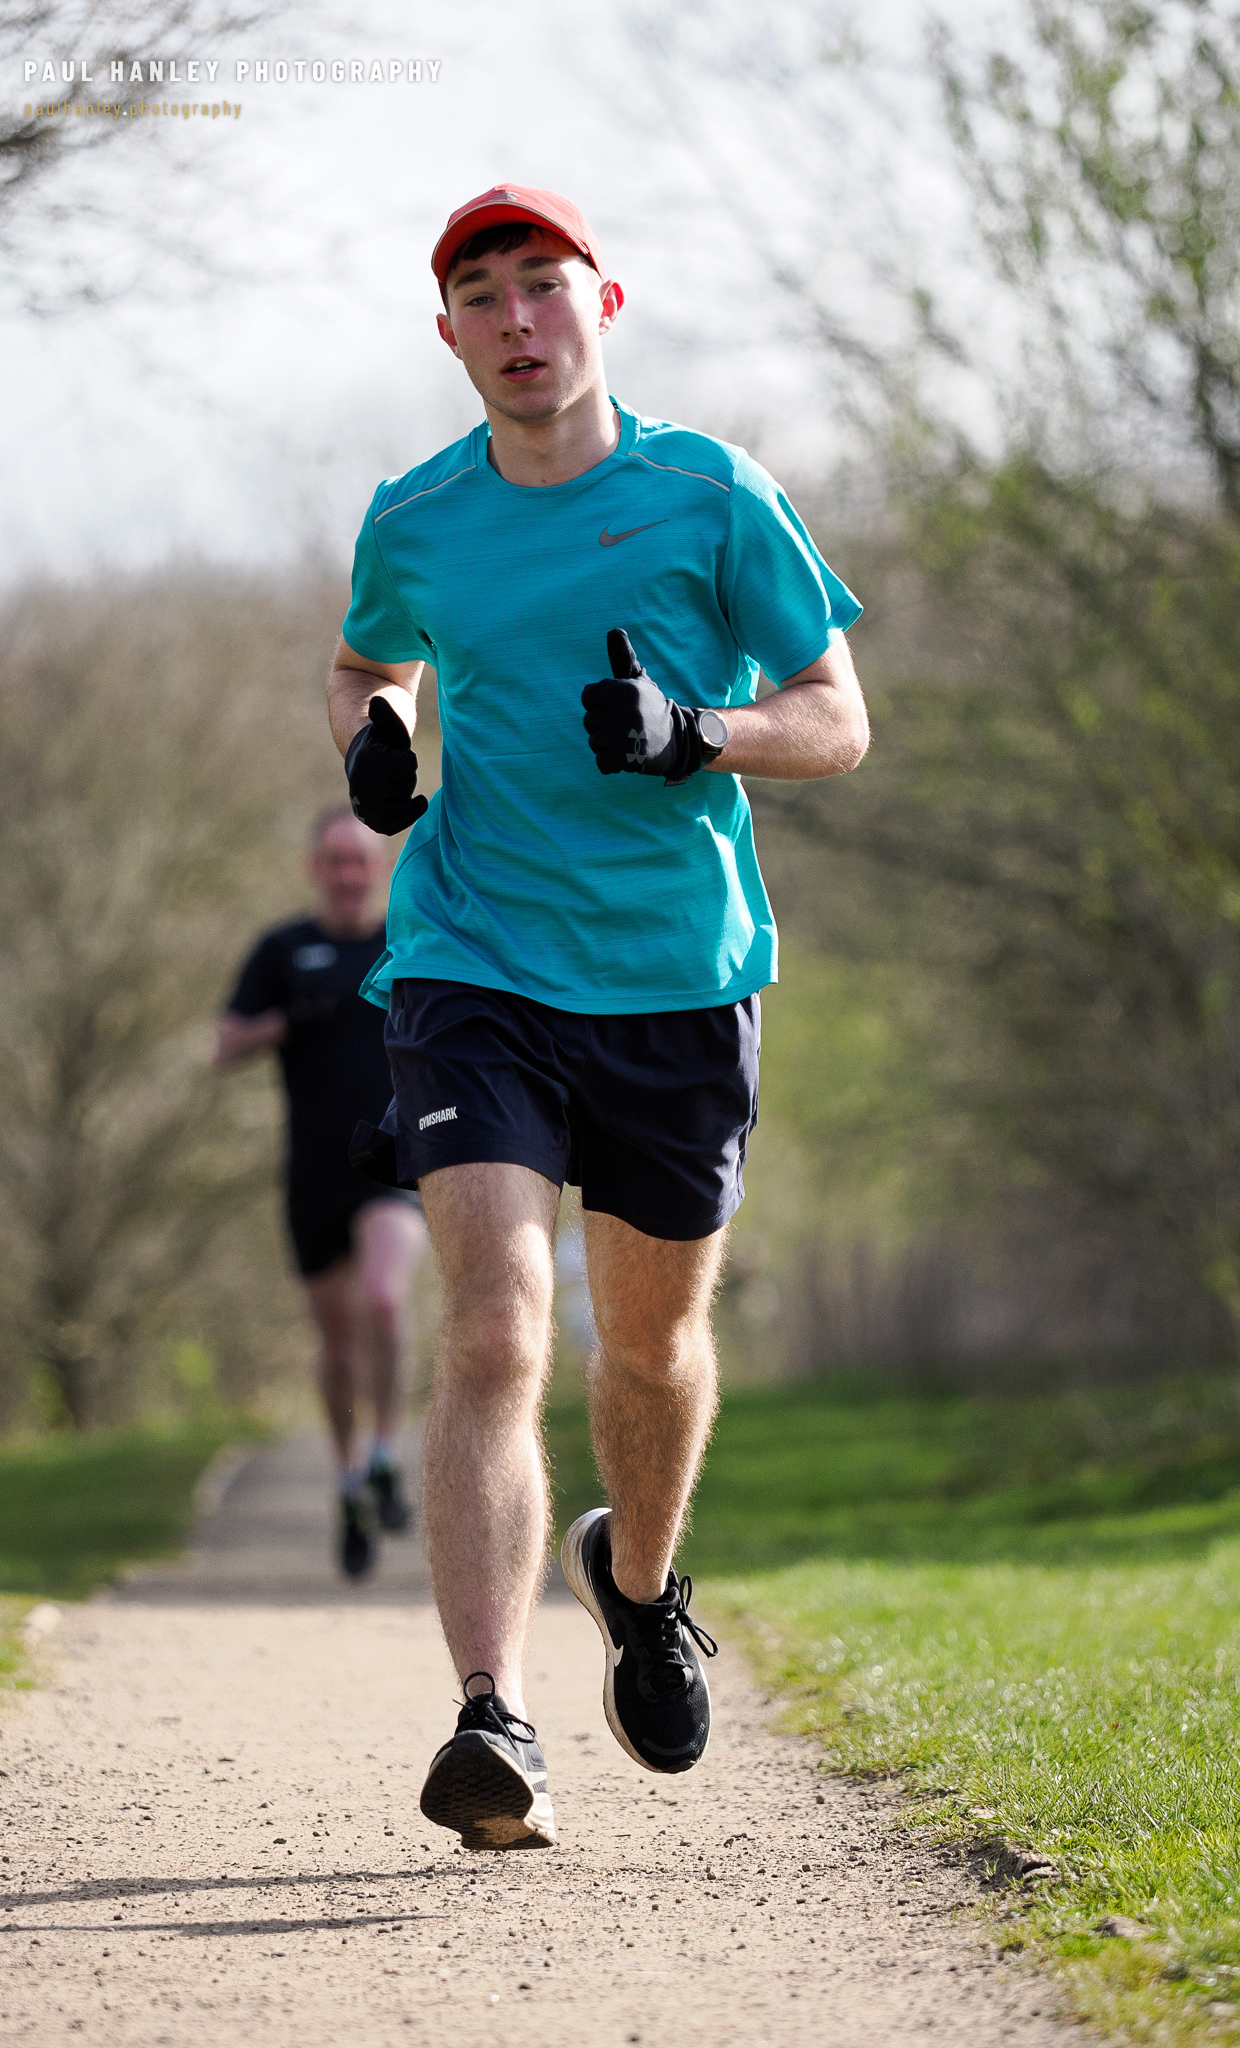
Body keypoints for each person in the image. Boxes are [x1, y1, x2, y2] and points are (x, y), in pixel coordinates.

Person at [329, 185, 870, 1850]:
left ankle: (634, 1583)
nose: (514, 319)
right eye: (479, 296)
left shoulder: (711, 492)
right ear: (449, 338)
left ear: (602, 302)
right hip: (473, 960)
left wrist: (699, 730)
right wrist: (374, 743)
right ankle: (494, 1719)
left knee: (648, 1346)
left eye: (540, 285)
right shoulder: (416, 515)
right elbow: (371, 659)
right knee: (494, 1325)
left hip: (678, 982)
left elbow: (837, 719)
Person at [215, 809, 428, 1579]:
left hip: (391, 1162)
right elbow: (222, 1044)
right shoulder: (281, 950)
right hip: (310, 1174)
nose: (348, 875)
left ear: (378, 868)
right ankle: (347, 1481)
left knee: (383, 1299)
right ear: (316, 867)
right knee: (337, 1343)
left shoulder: (404, 942)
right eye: (335, 861)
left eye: (360, 861)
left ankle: (384, 1453)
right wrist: (278, 1023)